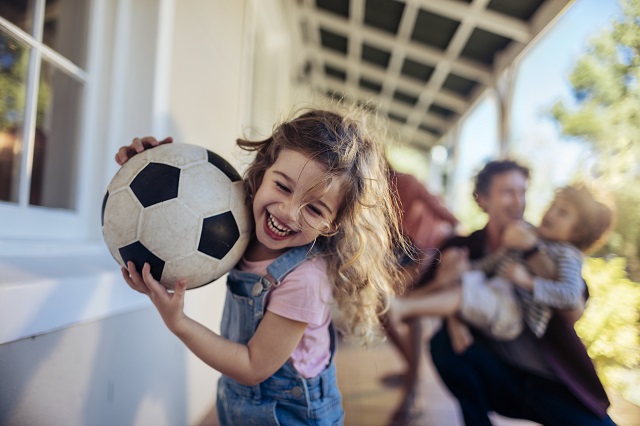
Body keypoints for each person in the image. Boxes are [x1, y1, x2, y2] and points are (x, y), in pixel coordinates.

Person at [115, 107, 407, 425]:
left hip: (291, 417)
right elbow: (183, 209)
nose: (288, 212)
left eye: (315, 209)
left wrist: (179, 322)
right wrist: (149, 168)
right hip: (242, 406)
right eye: (282, 186)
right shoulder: (237, 220)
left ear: (332, 225)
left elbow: (253, 366)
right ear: (263, 171)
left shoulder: (305, 280)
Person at [414, 159, 616, 426]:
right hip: (500, 375)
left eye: (522, 192)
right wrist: (453, 312)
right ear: (482, 199)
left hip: (551, 380)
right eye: (508, 192)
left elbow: (574, 306)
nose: (518, 201)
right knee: (443, 345)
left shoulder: (544, 241)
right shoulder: (461, 246)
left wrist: (532, 252)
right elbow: (423, 295)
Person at [392, 183, 615, 346]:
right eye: (553, 205)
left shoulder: (568, 255)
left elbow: (569, 296)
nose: (551, 213)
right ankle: (407, 304)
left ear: (578, 232)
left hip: (515, 315)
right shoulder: (529, 235)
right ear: (483, 199)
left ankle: (403, 307)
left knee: (465, 291)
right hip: (497, 295)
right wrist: (469, 268)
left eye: (563, 213)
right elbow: (496, 261)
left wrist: (528, 282)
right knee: (463, 278)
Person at [383, 168, 458, 424]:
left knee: (409, 312)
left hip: (426, 251)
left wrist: (433, 253)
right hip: (402, 253)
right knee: (383, 311)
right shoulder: (366, 188)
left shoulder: (408, 181)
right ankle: (411, 371)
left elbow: (449, 217)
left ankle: (412, 392)